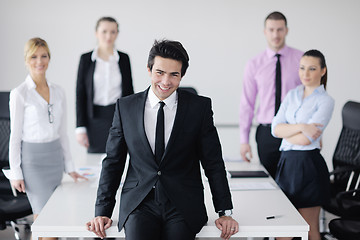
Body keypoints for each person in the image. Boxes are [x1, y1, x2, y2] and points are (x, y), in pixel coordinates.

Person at [86, 39, 239, 240]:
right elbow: (113, 162)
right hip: (139, 203)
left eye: (174, 74)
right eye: (160, 73)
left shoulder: (198, 108)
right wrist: (102, 211)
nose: (166, 82)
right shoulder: (126, 107)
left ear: (182, 76)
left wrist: (224, 211)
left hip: (183, 203)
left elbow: (213, 163)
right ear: (149, 70)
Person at [8, 37, 86, 238]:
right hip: (33, 164)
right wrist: (16, 172)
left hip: (54, 162)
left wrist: (70, 167)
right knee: (47, 224)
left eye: (43, 56)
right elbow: (14, 137)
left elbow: (62, 134)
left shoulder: (59, 92)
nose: (39, 61)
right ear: (26, 60)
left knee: (51, 224)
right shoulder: (20, 93)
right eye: (33, 56)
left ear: (49, 58)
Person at [271, 50, 334, 240]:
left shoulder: (326, 101)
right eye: (302, 68)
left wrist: (287, 131)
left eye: (312, 69)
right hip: (287, 165)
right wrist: (302, 127)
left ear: (322, 71)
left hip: (309, 167)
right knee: (283, 232)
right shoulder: (292, 95)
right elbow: (275, 129)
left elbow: (307, 140)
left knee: (309, 230)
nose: (305, 74)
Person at [239, 11, 303, 178]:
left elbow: (310, 97)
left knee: (294, 182)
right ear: (265, 31)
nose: (276, 34)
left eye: (280, 29)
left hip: (294, 131)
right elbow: (247, 103)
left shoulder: (301, 60)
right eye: (272, 29)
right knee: (270, 182)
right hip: (267, 133)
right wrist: (244, 140)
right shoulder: (254, 64)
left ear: (286, 30)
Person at [76, 16, 134, 153]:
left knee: (118, 157)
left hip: (117, 117)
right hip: (93, 118)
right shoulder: (86, 59)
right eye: (104, 31)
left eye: (113, 32)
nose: (109, 36)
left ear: (117, 34)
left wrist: (131, 123)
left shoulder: (124, 59)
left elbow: (129, 92)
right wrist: (80, 127)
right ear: (96, 33)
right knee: (94, 163)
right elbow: (80, 94)